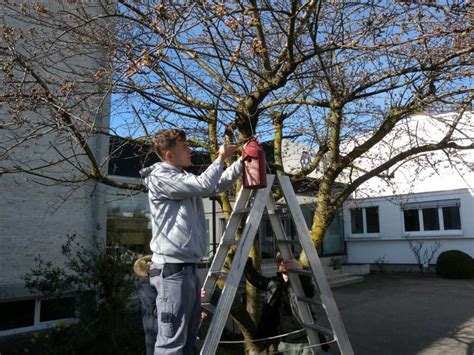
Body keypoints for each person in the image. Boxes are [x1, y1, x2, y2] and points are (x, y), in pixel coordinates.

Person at [140, 128, 243, 354]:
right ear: (168, 154)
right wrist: (221, 158)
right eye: (184, 146)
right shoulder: (161, 178)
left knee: (187, 339)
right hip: (172, 271)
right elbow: (205, 185)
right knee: (172, 344)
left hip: (184, 269)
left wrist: (241, 163)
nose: (190, 150)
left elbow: (214, 186)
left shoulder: (180, 176)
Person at [244, 254, 329, 354]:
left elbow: (309, 288)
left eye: (285, 260)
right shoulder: (275, 283)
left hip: (306, 340)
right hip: (285, 341)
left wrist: (300, 270)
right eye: (279, 260)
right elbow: (256, 279)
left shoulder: (301, 282)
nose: (282, 262)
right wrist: (245, 262)